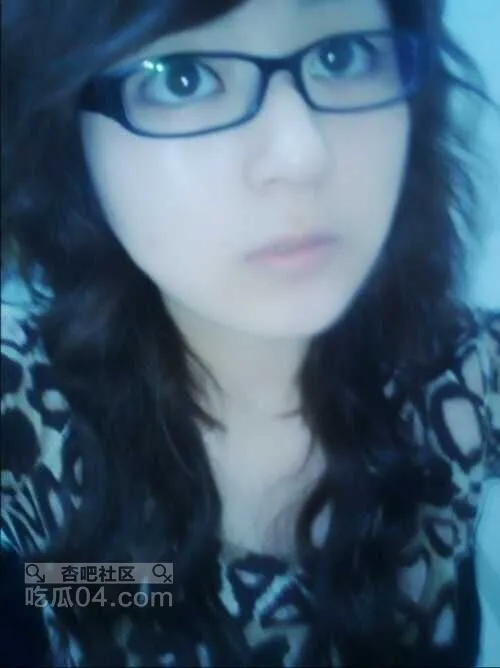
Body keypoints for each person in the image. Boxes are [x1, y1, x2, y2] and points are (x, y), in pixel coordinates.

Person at [1, 0, 499, 665]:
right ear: (65, 136)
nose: (302, 153)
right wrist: (136, 589)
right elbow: (63, 590)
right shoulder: (23, 412)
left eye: (342, 57)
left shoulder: (469, 371)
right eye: (182, 78)